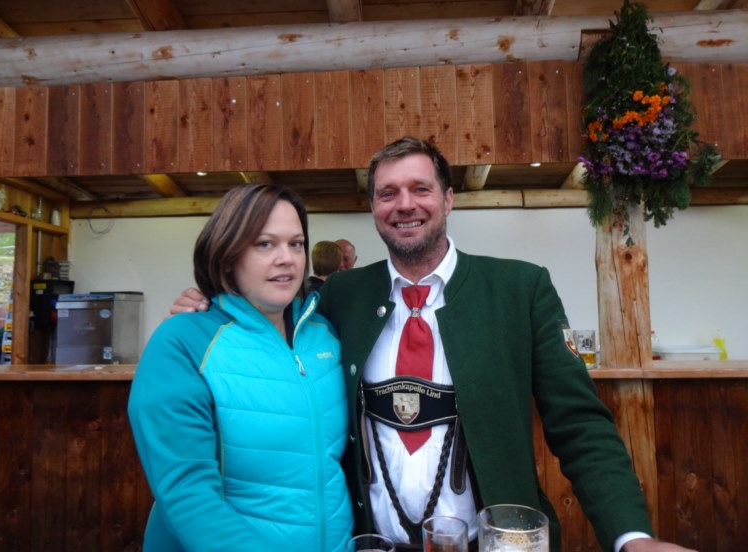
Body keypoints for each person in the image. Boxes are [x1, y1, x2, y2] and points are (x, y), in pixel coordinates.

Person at [170, 138, 696, 552]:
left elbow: (580, 425)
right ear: (373, 207)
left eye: (420, 188)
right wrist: (210, 304)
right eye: (387, 193)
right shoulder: (340, 296)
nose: (404, 205)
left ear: (447, 199)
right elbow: (266, 313)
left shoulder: (519, 289)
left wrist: (632, 537)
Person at [130, 183, 353, 551]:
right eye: (265, 244)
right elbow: (188, 493)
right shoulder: (182, 342)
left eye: (296, 243)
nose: (287, 258)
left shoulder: (324, 335)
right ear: (227, 255)